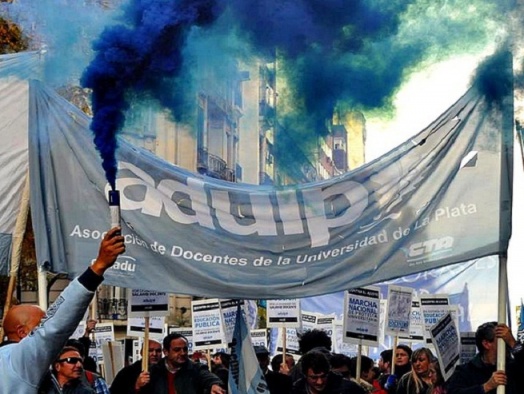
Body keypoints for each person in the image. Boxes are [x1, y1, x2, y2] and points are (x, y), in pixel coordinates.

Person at [0, 227, 125, 393]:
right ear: (22, 332)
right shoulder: (19, 359)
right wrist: (98, 267)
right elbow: (55, 327)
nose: (43, 328)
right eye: (40, 325)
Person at [447, 321, 524, 394]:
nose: (506, 343)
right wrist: (486, 387)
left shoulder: (512, 368)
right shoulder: (465, 372)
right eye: (502, 340)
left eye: (506, 339)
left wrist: (513, 343)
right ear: (486, 344)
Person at [139, 333, 225, 394]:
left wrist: (214, 385)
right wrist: (138, 385)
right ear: (166, 352)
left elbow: (209, 378)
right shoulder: (153, 371)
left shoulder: (196, 368)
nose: (183, 353)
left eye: (185, 349)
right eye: (177, 350)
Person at [291, 350, 366, 394]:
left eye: (323, 376)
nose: (319, 382)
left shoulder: (348, 389)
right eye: (314, 378)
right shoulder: (296, 390)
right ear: (305, 375)